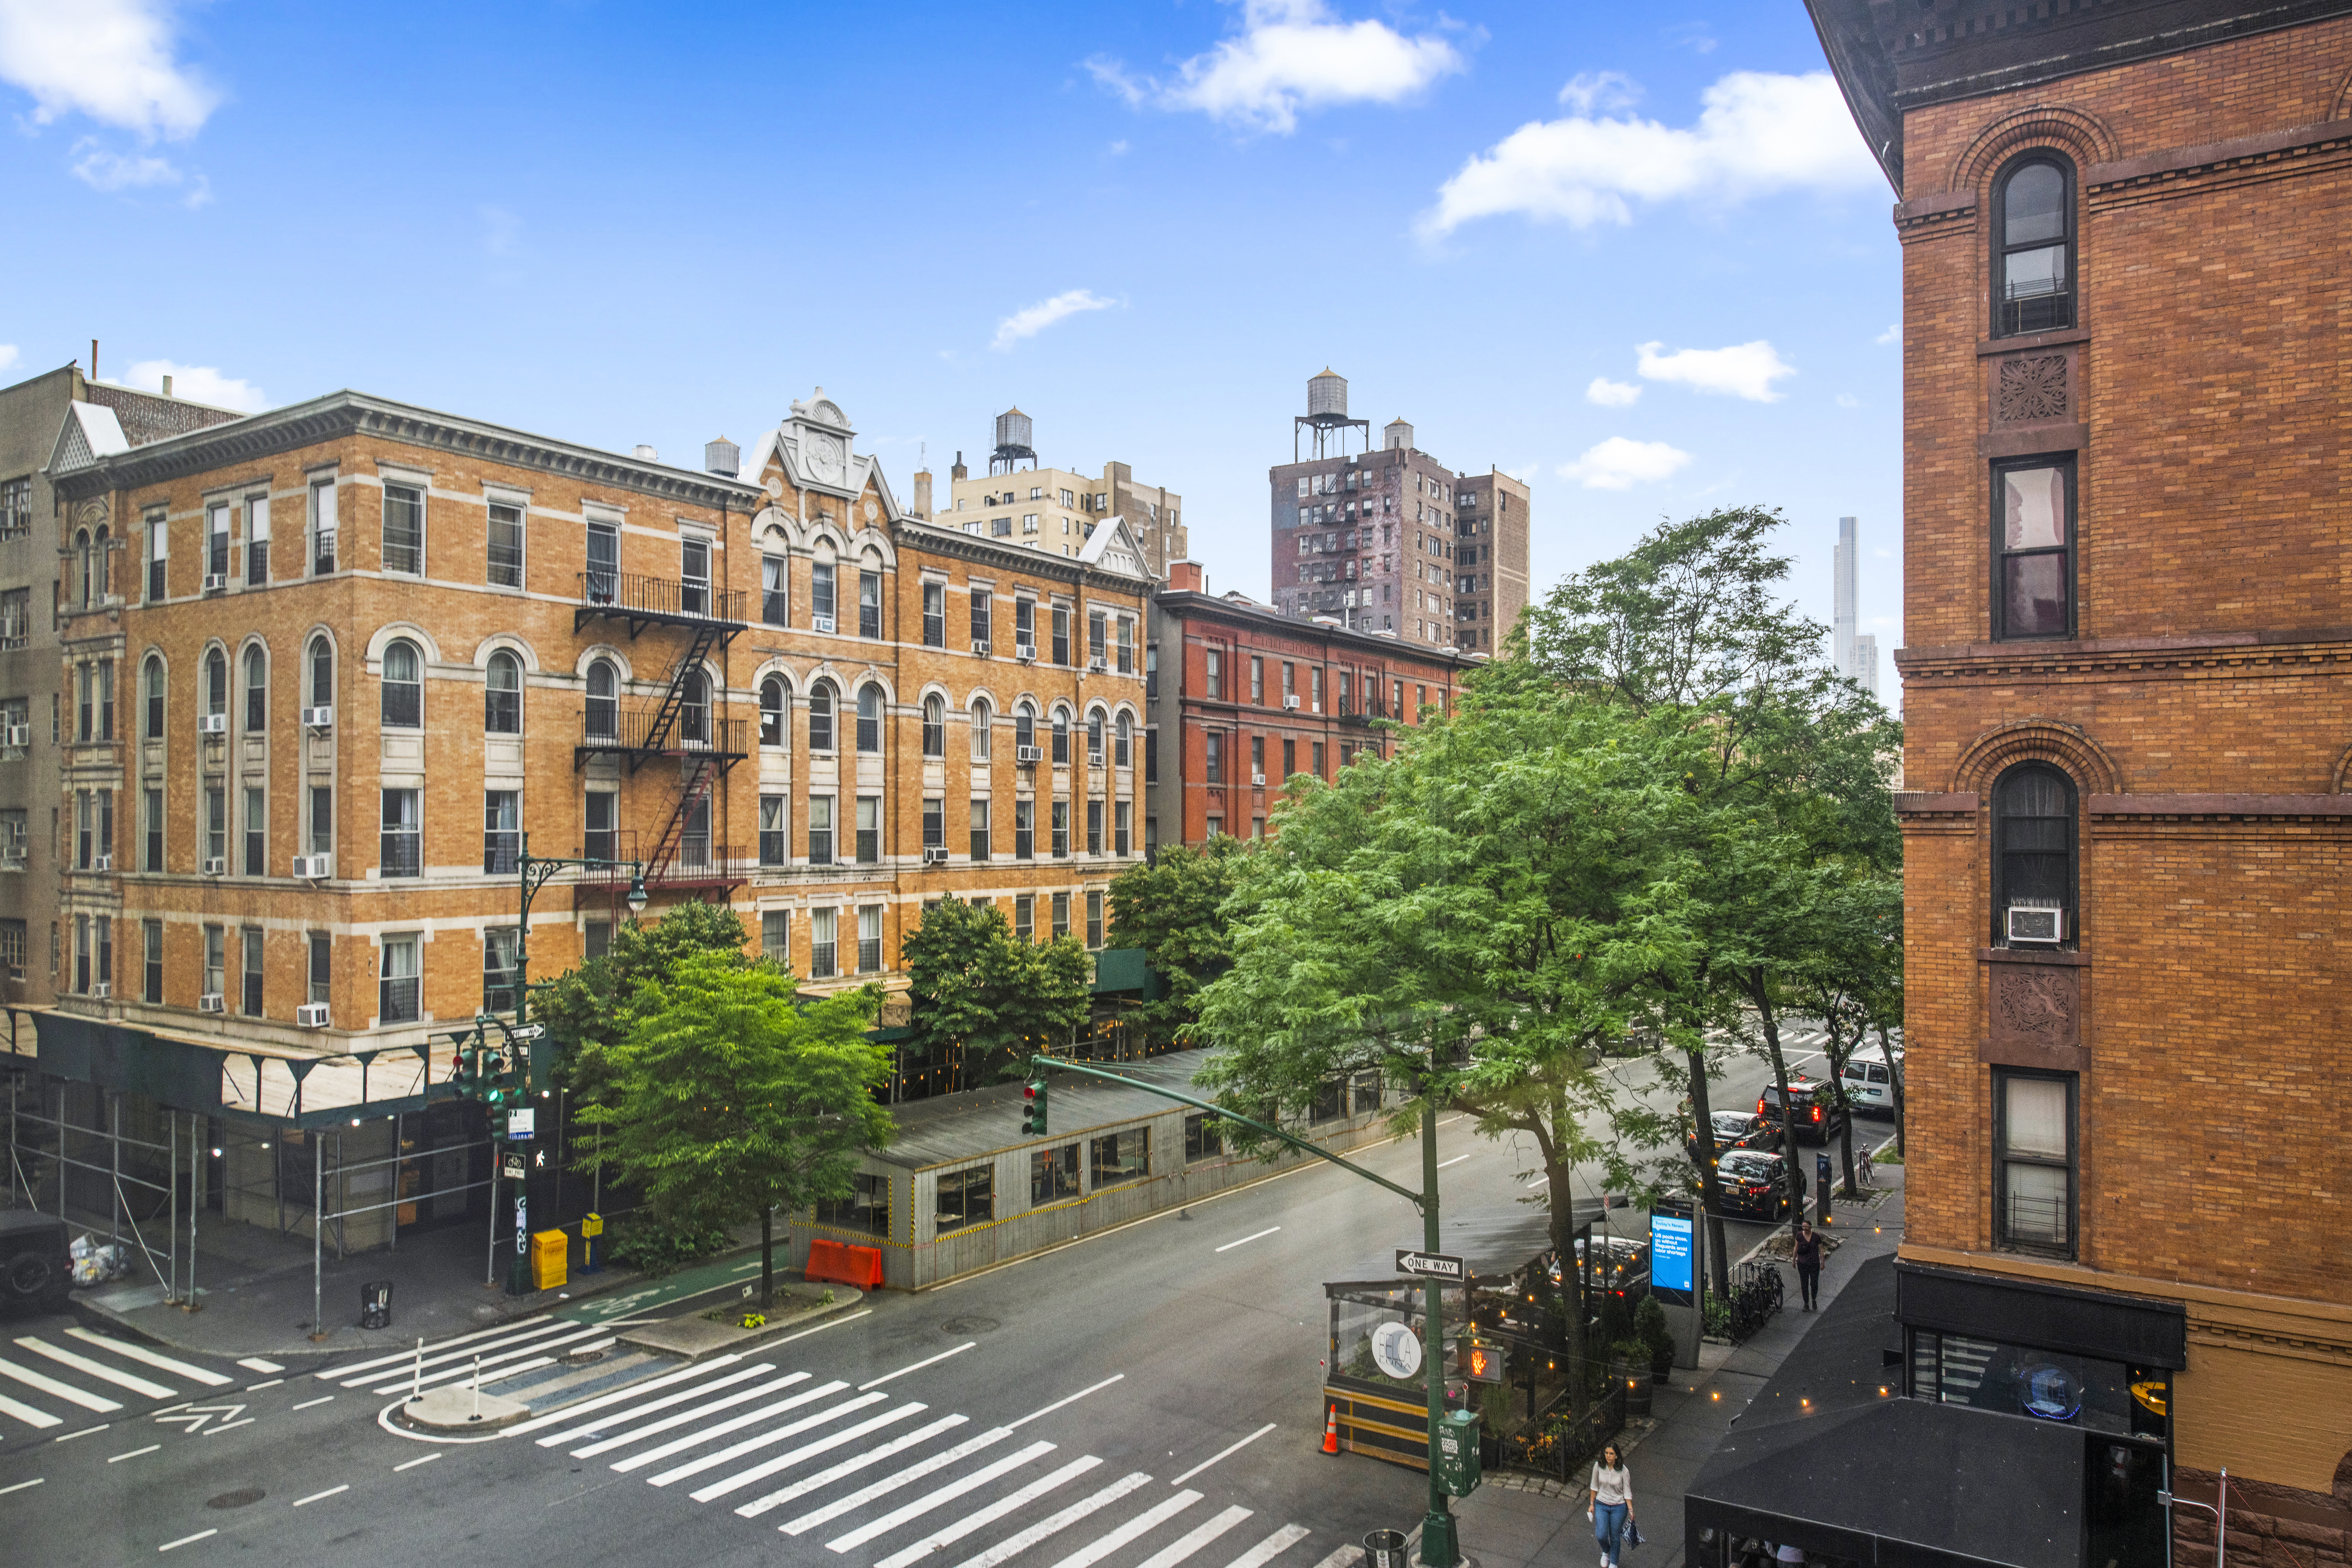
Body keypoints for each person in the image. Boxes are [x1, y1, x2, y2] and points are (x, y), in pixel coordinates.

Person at [1589, 1441, 1635, 1568]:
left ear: (1617, 1456)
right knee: (1601, 1535)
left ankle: (1614, 1563)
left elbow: (1627, 1492)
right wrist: (1592, 1504)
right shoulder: (1598, 1466)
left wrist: (1630, 1509)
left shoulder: (1624, 1471)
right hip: (1602, 1505)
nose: (1608, 1456)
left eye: (1611, 1454)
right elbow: (1594, 1487)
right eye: (1606, 1453)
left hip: (1619, 1507)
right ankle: (1606, 1552)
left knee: (1615, 1537)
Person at [1793, 1221, 1823, 1311]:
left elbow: (1821, 1250)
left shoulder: (1817, 1237)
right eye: (1803, 1227)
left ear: (1810, 1227)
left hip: (1814, 1264)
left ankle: (1814, 1299)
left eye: (1806, 1227)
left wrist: (1823, 1262)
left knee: (1814, 1283)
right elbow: (1796, 1247)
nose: (1805, 1229)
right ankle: (1806, 1304)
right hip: (1802, 1264)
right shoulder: (1799, 1236)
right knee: (1804, 1284)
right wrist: (1794, 1260)